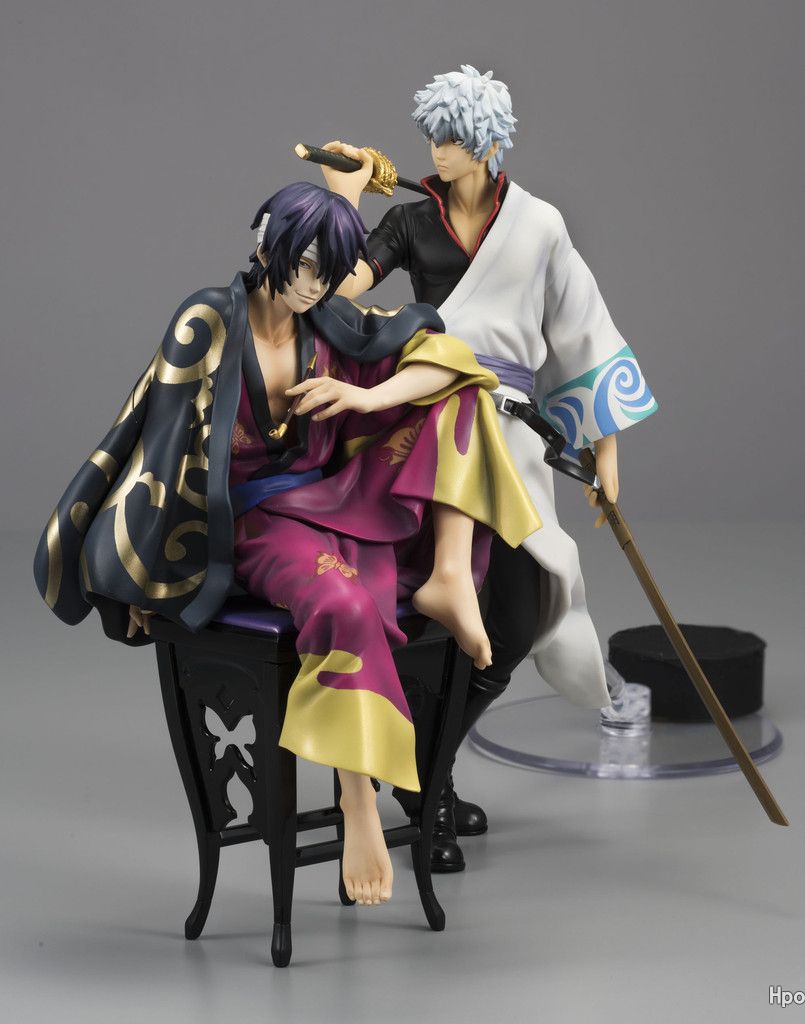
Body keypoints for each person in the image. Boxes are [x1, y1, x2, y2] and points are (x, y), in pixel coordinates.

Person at [34, 181, 540, 907]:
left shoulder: (329, 322)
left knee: (457, 394)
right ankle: (359, 802)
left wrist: (364, 397)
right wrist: (147, 575)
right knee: (345, 604)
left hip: (328, 497)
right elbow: (159, 443)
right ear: (266, 242)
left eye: (327, 273)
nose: (311, 285)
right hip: (247, 522)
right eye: (303, 265)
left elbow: (450, 356)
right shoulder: (209, 321)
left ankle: (451, 574)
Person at [320, 64, 658, 871]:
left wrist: (606, 453)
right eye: (431, 137)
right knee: (425, 610)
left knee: (512, 617)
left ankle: (422, 770)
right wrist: (344, 201)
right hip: (424, 425)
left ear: (485, 143)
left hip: (508, 440)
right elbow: (335, 288)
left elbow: (582, 327)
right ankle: (423, 790)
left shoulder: (536, 225)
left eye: (451, 138)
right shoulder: (410, 221)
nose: (436, 151)